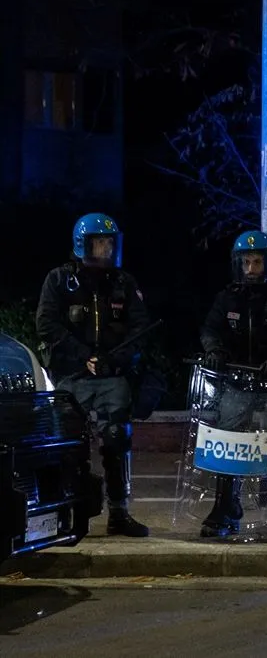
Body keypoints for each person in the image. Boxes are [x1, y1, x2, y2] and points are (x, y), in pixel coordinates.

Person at [36, 213, 151, 537]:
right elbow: (46, 324)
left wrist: (114, 360)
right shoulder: (60, 280)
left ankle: (119, 512)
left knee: (116, 436)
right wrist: (83, 356)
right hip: (72, 375)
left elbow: (140, 329)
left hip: (112, 375)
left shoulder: (123, 283)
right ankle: (69, 513)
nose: (105, 248)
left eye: (109, 242)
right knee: (68, 444)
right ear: (82, 244)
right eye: (99, 242)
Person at [199, 230, 267, 538]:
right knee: (228, 446)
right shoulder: (227, 297)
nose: (251, 269)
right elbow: (210, 329)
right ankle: (224, 510)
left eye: (257, 262)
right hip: (236, 383)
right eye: (246, 262)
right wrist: (214, 350)